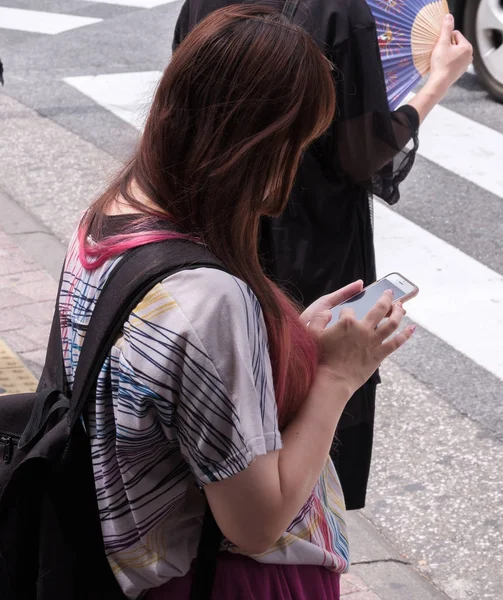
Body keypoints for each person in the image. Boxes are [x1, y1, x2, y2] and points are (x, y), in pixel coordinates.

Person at [60, 6, 414, 599]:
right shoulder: (213, 299)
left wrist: (280, 345)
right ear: (254, 147)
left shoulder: (110, 219)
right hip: (221, 581)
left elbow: (172, 390)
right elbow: (254, 524)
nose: (293, 171)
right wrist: (336, 375)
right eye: (294, 147)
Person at [173, 0, 473, 509]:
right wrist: (438, 81)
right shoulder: (337, 11)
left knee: (229, 407)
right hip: (311, 241)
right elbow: (361, 153)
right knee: (310, 418)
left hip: (215, 229)